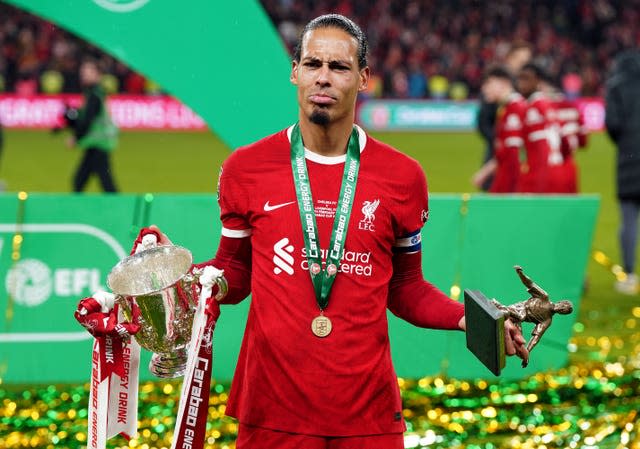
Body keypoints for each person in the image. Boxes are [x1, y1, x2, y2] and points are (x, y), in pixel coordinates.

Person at [99, 15, 528, 448]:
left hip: (368, 413)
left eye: (339, 67)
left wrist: (474, 320)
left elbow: (406, 287)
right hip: (272, 410)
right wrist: (179, 286)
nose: (323, 77)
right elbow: (234, 272)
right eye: (312, 64)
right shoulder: (245, 169)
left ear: (362, 78)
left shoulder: (403, 177)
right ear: (295, 72)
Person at [605, 49, 640, 295]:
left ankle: (629, 274)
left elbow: (613, 124)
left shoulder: (615, 86)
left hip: (628, 158)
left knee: (628, 220)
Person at [475, 42, 532, 192]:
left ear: (503, 83)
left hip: (511, 184)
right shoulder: (508, 107)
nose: (484, 88)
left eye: (488, 83)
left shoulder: (515, 108)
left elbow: (513, 156)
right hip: (504, 178)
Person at [66, 59, 119, 192]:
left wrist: (76, 138)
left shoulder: (94, 95)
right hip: (97, 144)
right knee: (81, 181)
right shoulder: (95, 93)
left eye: (88, 71)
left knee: (100, 182)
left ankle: (119, 208)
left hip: (98, 143)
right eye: (83, 71)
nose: (83, 74)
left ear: (98, 74)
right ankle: (117, 208)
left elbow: (87, 120)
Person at [516, 63, 561, 193]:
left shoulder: (537, 106)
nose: (521, 84)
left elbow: (548, 139)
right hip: (538, 169)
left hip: (539, 172)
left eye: (526, 79)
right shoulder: (538, 104)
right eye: (520, 79)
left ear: (537, 81)